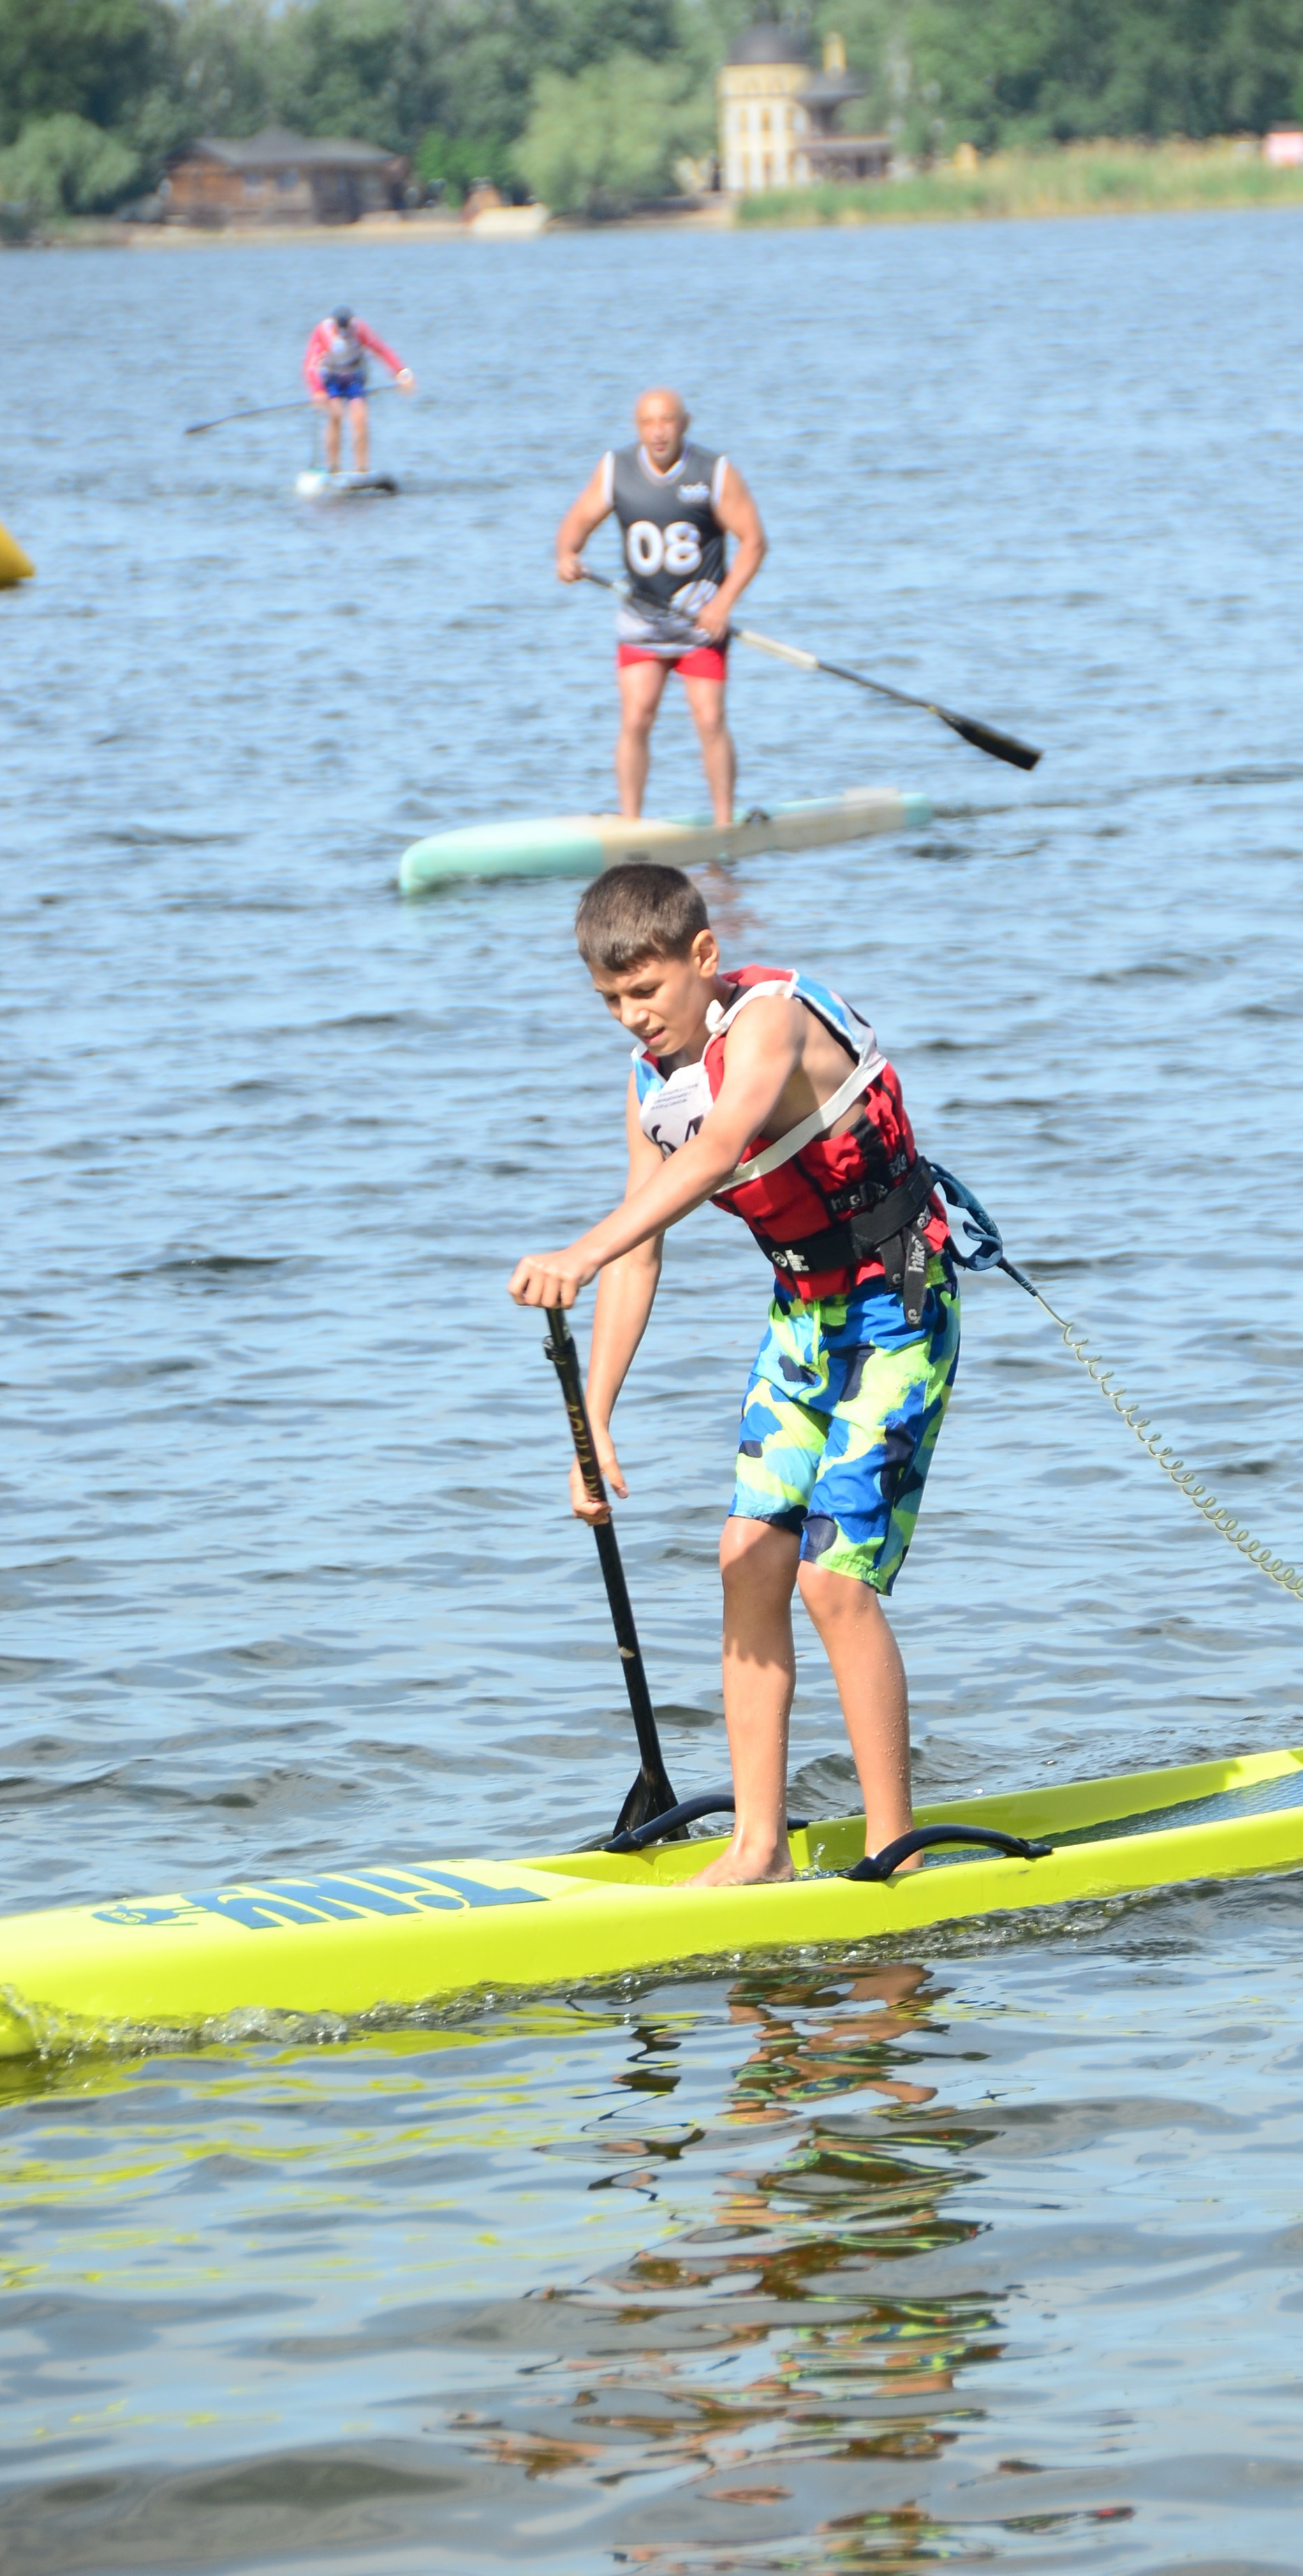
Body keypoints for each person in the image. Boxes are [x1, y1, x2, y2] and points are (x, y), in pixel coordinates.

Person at [508, 863, 957, 1886]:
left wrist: (576, 1252)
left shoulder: (771, 1021)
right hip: (804, 1323)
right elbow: (641, 1252)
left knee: (831, 1579)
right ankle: (760, 1848)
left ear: (702, 956)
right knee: (747, 1559)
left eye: (646, 990)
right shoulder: (648, 1085)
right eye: (610, 1000)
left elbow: (715, 1153)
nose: (632, 1017)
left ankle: (896, 1852)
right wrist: (594, 1420)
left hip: (900, 1312)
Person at [554, 389, 767, 829]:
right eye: (648, 423)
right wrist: (567, 555)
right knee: (636, 717)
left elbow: (753, 542)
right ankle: (631, 825)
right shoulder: (616, 469)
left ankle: (724, 828)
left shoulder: (714, 472)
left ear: (684, 423)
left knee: (710, 719)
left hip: (700, 625)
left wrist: (723, 603)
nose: (658, 432)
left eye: (667, 421)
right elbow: (576, 523)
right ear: (637, 427)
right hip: (642, 623)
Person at [302, 306, 414, 476]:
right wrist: (317, 390)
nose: (344, 332)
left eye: (346, 328)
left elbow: (381, 350)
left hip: (353, 378)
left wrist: (401, 373)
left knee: (360, 418)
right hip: (332, 379)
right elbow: (311, 364)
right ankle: (333, 467)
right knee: (336, 415)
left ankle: (362, 468)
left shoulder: (360, 329)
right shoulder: (323, 332)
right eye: (340, 328)